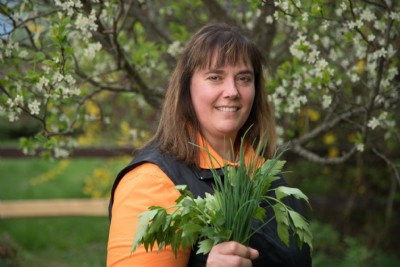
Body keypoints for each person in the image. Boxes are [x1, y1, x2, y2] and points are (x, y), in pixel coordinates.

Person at [107, 23, 311, 267]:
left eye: (244, 78)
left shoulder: (264, 171)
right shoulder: (153, 179)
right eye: (215, 77)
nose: (232, 91)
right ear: (186, 88)